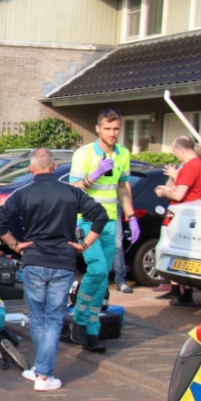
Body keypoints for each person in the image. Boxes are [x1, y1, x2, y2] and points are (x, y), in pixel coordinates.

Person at [0, 148, 109, 390]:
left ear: (31, 169)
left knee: (37, 318)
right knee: (54, 318)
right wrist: (84, 244)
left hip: (34, 261)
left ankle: (41, 371)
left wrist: (16, 244)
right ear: (55, 168)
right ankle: (43, 373)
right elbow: (100, 215)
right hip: (63, 262)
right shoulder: (71, 192)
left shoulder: (22, 193)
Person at [69, 110, 138, 353]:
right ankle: (79, 322)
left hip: (110, 222)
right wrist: (93, 176)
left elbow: (121, 188)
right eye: (108, 128)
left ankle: (91, 331)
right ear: (98, 128)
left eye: (116, 129)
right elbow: (73, 189)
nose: (112, 133)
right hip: (86, 221)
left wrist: (131, 216)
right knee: (96, 269)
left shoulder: (123, 154)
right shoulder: (84, 154)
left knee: (101, 279)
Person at [155, 135, 201, 306]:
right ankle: (186, 294)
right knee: (188, 258)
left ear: (181, 150)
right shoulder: (197, 165)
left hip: (184, 216)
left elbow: (178, 194)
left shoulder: (191, 166)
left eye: (176, 152)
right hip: (190, 216)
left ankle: (186, 294)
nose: (176, 156)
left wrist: (163, 192)